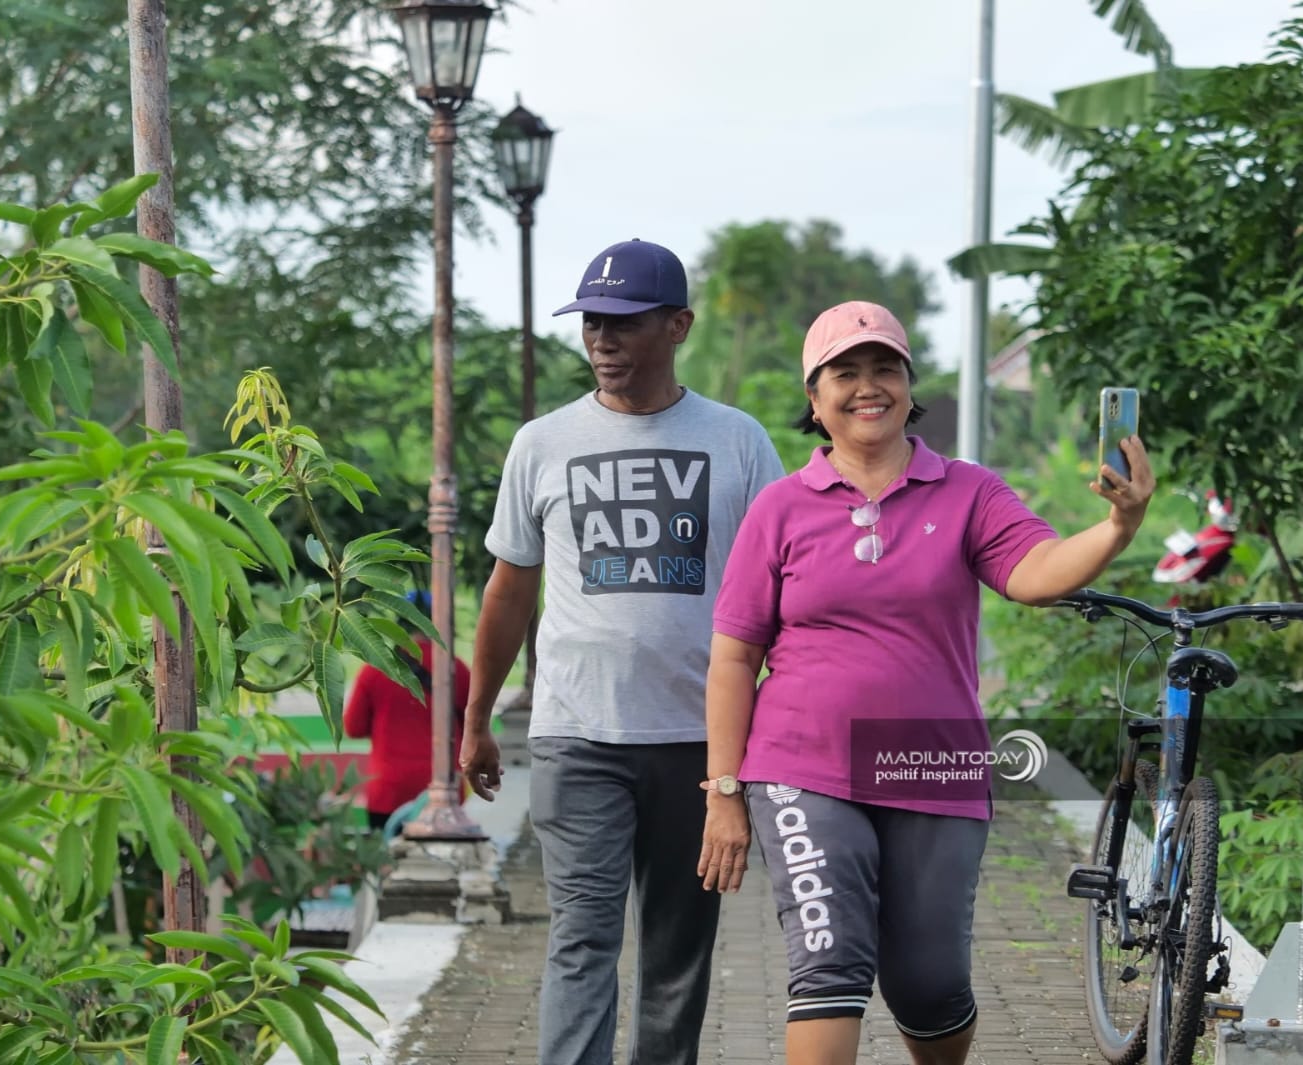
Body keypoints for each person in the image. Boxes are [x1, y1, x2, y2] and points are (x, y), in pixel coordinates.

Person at [696, 301, 1156, 1065]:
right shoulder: (779, 507)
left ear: (909, 386)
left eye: (885, 368)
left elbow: (1035, 573)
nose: (866, 386)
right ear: (814, 397)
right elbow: (734, 656)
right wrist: (723, 790)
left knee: (928, 984)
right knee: (828, 964)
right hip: (801, 763)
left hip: (931, 764)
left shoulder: (968, 491)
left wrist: (1117, 526)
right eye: (844, 373)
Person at [460, 238, 785, 1065]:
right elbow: (508, 590)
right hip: (577, 736)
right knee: (582, 938)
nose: (601, 340)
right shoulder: (542, 443)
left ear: (677, 325)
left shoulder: (739, 442)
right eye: (590, 323)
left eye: (623, 323)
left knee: (677, 952)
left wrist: (767, 743)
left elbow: (783, 593)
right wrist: (476, 717)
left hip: (698, 743)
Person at [343, 590, 469, 832]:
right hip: (442, 790)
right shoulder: (457, 670)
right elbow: (472, 725)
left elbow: (353, 728)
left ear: (398, 625)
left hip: (389, 791)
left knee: (387, 854)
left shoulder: (376, 669)